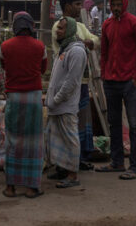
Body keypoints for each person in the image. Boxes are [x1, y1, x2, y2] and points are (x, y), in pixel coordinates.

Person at [95, 0, 136, 180]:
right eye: (113, 5)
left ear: (125, 4)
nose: (116, 8)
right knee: (114, 124)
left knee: (134, 125)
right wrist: (104, 74)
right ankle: (117, 162)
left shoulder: (135, 23)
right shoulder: (107, 25)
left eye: (119, 5)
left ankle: (135, 167)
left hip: (129, 83)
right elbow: (104, 53)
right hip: (111, 82)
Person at [0, 12, 47, 198]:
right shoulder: (40, 46)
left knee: (13, 140)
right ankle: (31, 187)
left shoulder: (5, 46)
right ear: (31, 26)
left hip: (14, 97)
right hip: (34, 98)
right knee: (34, 142)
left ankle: (10, 187)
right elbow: (43, 69)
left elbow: (4, 66)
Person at [52, 0, 99, 171]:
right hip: (69, 82)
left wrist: (87, 41)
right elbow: (62, 50)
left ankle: (77, 159)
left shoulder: (79, 26)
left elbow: (95, 40)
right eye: (77, 4)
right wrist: (84, 43)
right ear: (67, 6)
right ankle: (65, 163)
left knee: (80, 121)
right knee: (68, 123)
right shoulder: (59, 26)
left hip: (82, 82)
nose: (80, 8)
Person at [46, 17, 88, 190]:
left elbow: (71, 81)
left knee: (70, 139)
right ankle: (62, 169)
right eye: (58, 28)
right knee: (57, 139)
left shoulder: (77, 51)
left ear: (70, 30)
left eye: (62, 28)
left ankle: (73, 175)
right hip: (56, 106)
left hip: (65, 105)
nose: (58, 31)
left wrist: (56, 99)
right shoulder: (64, 49)